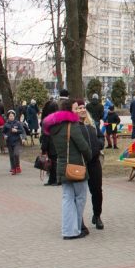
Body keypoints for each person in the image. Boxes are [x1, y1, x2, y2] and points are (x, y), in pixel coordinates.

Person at [43, 99, 92, 240]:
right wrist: (89, 156)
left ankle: (67, 230)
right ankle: (75, 229)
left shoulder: (54, 127)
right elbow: (83, 146)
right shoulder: (72, 125)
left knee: (67, 199)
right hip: (76, 166)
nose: (78, 110)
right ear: (69, 110)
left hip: (62, 166)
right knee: (80, 198)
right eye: (76, 108)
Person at [74, 99, 106, 229]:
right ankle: (78, 219)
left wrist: (99, 145)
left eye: (83, 107)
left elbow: (101, 137)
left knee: (97, 191)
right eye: (79, 108)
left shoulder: (92, 124)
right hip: (80, 163)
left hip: (94, 162)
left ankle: (97, 215)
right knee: (80, 194)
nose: (82, 110)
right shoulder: (74, 126)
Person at [40, 96, 60, 186]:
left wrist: (44, 147)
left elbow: (45, 135)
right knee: (53, 161)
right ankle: (52, 179)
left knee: (53, 162)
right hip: (55, 142)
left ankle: (54, 179)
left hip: (50, 142)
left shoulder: (47, 121)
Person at [2, 109, 26, 175]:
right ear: (8, 117)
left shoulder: (18, 123)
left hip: (17, 141)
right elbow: (3, 132)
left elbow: (22, 131)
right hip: (9, 141)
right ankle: (13, 168)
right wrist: (4, 136)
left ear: (14, 116)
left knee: (16, 154)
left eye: (12, 116)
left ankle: (17, 166)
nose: (11, 117)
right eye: (10, 116)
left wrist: (17, 131)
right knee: (11, 156)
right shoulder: (6, 124)